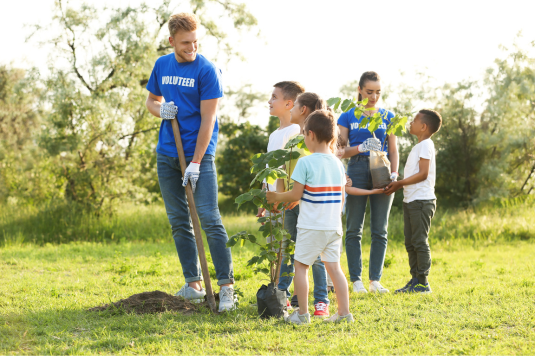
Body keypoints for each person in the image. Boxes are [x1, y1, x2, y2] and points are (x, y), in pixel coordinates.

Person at [144, 13, 235, 312]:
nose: (191, 47)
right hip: (167, 153)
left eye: (195, 41)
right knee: (179, 221)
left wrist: (196, 162)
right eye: (185, 43)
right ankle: (194, 284)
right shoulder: (162, 65)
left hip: (199, 155)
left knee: (209, 218)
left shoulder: (207, 70)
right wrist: (162, 110)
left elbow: (209, 119)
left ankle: (226, 288)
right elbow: (151, 101)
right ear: (171, 41)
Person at [267, 109, 353, 324]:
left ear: (311, 134)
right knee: (334, 268)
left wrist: (274, 195)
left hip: (311, 226)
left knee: (301, 267)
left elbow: (295, 194)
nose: (304, 137)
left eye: (304, 134)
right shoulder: (338, 164)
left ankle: (302, 314)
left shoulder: (305, 162)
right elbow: (341, 198)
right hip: (333, 226)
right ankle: (344, 314)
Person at [338, 71, 399, 294]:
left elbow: (393, 149)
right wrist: (361, 147)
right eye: (369, 92)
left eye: (378, 92)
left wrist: (394, 173)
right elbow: (340, 151)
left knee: (380, 229)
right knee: (354, 228)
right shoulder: (347, 115)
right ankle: (356, 281)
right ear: (360, 90)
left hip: (381, 168)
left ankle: (375, 280)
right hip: (356, 167)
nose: (374, 97)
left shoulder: (388, 116)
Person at [275, 92, 333, 317]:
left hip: (306, 204)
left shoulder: (313, 141)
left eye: (295, 105)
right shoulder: (292, 140)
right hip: (289, 203)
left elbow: (316, 173)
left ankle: (321, 300)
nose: (290, 109)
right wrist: (281, 197)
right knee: (288, 248)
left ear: (304, 110)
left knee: (314, 254)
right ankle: (283, 296)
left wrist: (297, 197)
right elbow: (283, 171)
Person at [384, 110, 442, 293]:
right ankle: (415, 279)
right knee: (410, 242)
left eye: (415, 120)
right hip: (411, 200)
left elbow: (423, 174)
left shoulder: (426, 145)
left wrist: (399, 184)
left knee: (419, 241)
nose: (411, 122)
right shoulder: (419, 146)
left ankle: (423, 283)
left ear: (423, 126)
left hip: (421, 201)